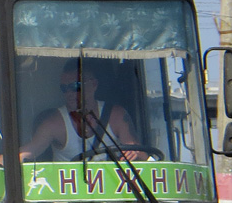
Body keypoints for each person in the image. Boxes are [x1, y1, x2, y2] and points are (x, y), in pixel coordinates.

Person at [17, 60, 146, 162]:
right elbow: (28, 151)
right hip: (69, 194)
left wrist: (135, 153)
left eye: (75, 86)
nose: (69, 93)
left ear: (94, 85)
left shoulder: (116, 115)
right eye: (64, 88)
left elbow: (139, 153)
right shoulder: (54, 123)